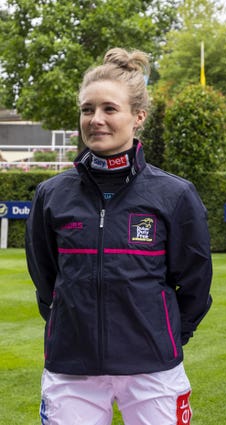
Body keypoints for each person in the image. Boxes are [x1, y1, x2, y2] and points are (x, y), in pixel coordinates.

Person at [25, 48, 213, 425]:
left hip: (153, 367)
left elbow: (194, 284)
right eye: (87, 109)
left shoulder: (174, 194)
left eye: (109, 109)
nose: (96, 120)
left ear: (138, 116)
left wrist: (164, 335)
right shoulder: (51, 194)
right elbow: (46, 280)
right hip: (70, 367)